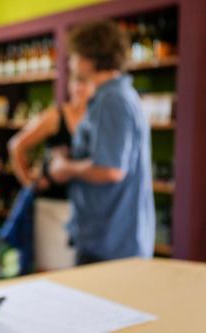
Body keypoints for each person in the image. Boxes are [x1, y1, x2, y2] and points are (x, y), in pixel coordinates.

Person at [49, 21, 155, 265]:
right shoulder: (117, 96)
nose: (71, 62)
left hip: (110, 239)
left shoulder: (111, 100)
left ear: (90, 56)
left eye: (74, 55)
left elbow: (111, 170)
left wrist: (65, 167)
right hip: (112, 235)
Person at [8, 75, 95, 270]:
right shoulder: (55, 116)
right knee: (50, 270)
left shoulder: (98, 119)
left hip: (88, 209)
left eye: (86, 80)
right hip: (53, 207)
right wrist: (29, 181)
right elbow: (16, 146)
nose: (80, 87)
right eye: (76, 80)